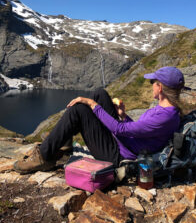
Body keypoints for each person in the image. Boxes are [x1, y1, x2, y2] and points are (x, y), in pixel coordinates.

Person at [14, 66, 185, 174]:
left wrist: (92, 105)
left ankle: (44, 157)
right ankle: (64, 143)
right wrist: (123, 115)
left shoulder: (164, 117)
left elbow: (120, 130)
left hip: (119, 155)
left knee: (79, 110)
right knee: (99, 93)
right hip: (125, 143)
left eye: (152, 82)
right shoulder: (166, 109)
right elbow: (140, 130)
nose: (151, 85)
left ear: (160, 87)